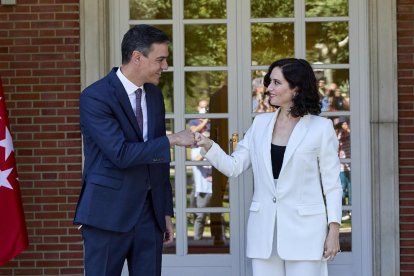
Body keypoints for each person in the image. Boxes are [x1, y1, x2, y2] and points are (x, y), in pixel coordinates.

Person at [195, 58, 342, 276]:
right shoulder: (260, 124)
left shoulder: (321, 128)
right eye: (269, 82)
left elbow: (332, 185)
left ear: (296, 87)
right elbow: (234, 166)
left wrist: (334, 231)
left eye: (276, 82)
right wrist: (208, 144)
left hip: (306, 233)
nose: (268, 88)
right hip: (264, 233)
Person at [73, 24, 195, 276]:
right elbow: (120, 154)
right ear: (137, 57)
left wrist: (165, 212)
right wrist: (173, 139)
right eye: (160, 59)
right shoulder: (95, 97)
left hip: (149, 216)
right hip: (106, 214)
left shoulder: (154, 95)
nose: (165, 66)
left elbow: (159, 160)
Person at [188, 100, 213, 240]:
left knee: (209, 207)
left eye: (206, 107)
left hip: (211, 166)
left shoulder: (212, 122)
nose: (204, 109)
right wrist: (206, 120)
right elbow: (193, 132)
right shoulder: (194, 121)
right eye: (202, 107)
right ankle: (197, 237)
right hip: (200, 165)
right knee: (199, 203)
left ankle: (217, 236)